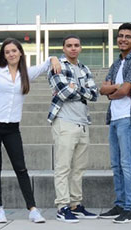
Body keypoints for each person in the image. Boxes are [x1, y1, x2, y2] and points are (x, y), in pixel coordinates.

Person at [0, 38, 61, 224]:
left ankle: (33, 209)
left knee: (21, 167)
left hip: (12, 128)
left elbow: (45, 64)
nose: (11, 54)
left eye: (14, 51)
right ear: (4, 55)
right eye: (7, 52)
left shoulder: (27, 73)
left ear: (20, 53)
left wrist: (54, 58)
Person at [47, 35, 99, 223]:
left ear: (81, 48)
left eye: (76, 45)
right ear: (63, 48)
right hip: (64, 122)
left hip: (83, 123)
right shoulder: (57, 66)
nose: (73, 48)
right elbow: (64, 92)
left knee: (79, 168)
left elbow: (94, 95)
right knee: (63, 167)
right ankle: (62, 206)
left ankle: (76, 205)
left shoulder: (84, 68)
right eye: (69, 46)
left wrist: (75, 87)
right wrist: (81, 89)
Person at [99, 23, 131, 224]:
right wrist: (114, 88)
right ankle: (120, 204)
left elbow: (125, 91)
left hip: (128, 117)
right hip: (115, 118)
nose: (123, 39)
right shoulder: (116, 63)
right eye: (120, 36)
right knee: (116, 164)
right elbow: (102, 89)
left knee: (127, 163)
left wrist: (114, 89)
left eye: (127, 36)